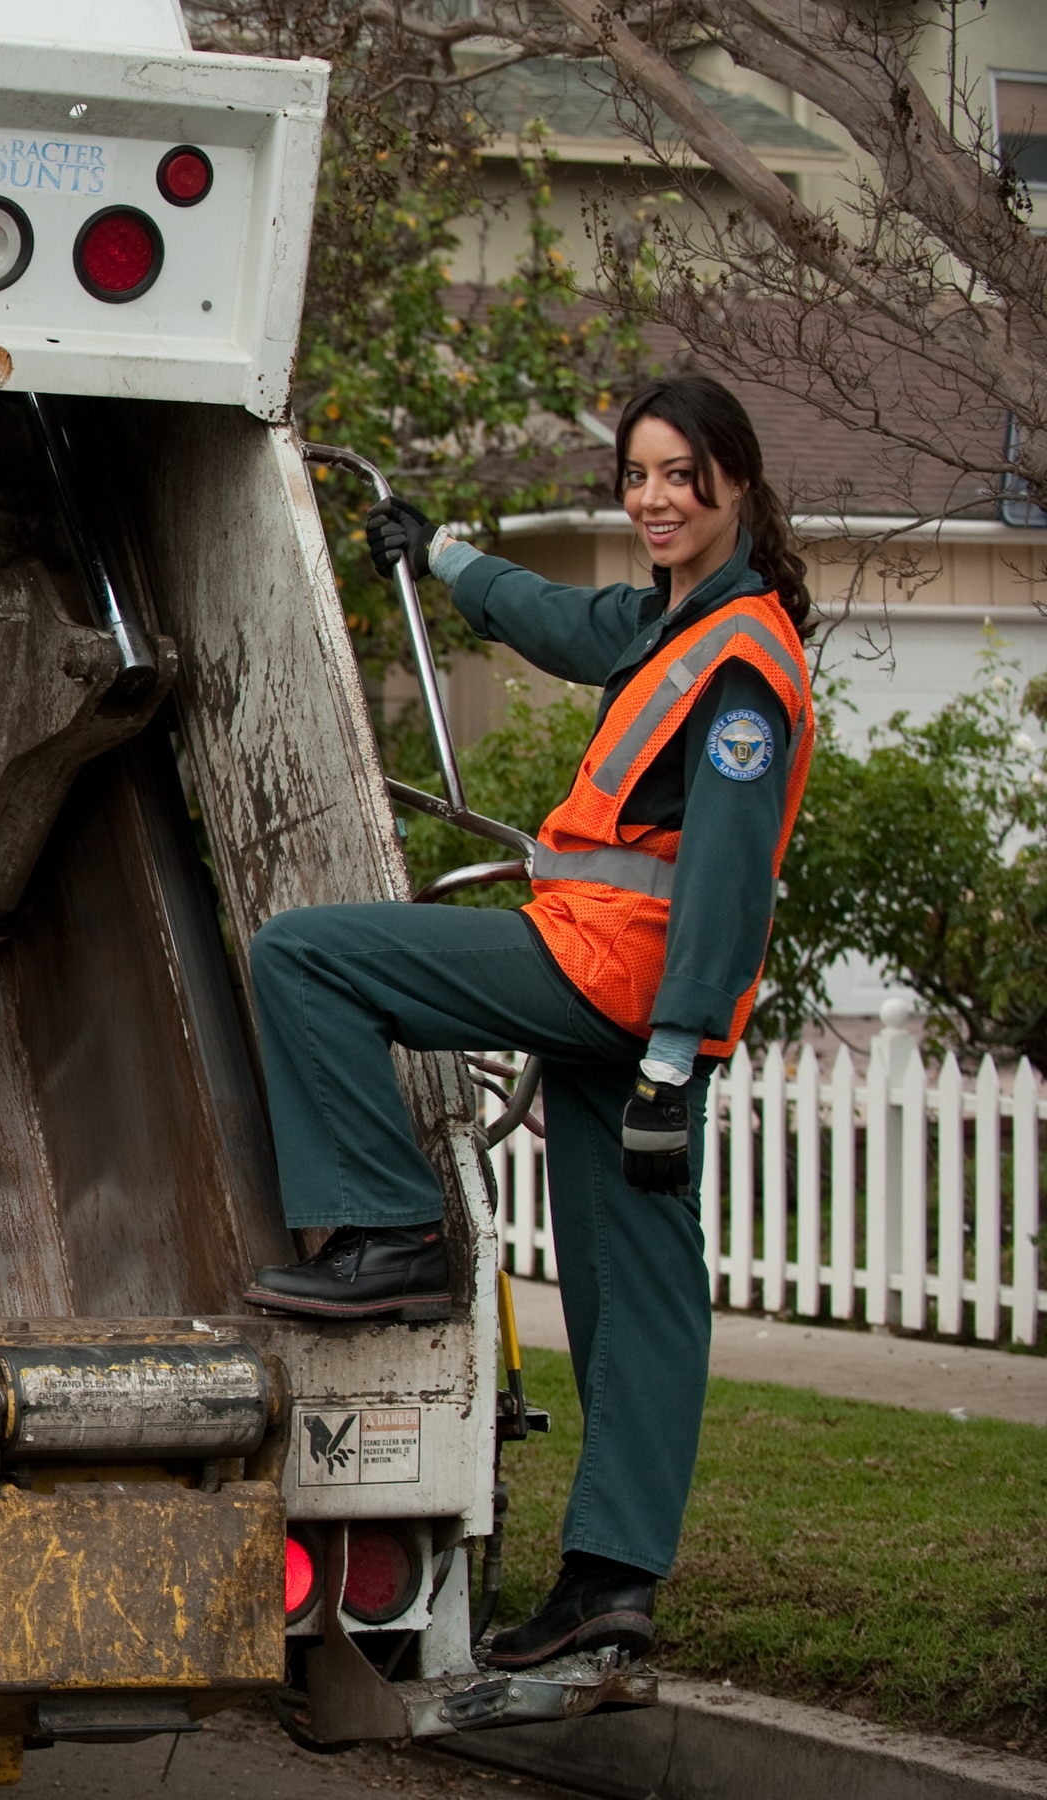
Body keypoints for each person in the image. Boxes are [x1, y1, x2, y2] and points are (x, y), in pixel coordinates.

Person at [241, 374, 816, 1671]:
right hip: (627, 1008)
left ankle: (388, 1228)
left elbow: (725, 880)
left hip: (614, 991)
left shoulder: (739, 668)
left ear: (739, 480)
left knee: (308, 959)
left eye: (684, 474)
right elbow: (566, 621)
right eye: (640, 475)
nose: (658, 497)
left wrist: (673, 1060)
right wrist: (442, 554)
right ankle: (608, 1588)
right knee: (639, 1300)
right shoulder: (678, 624)